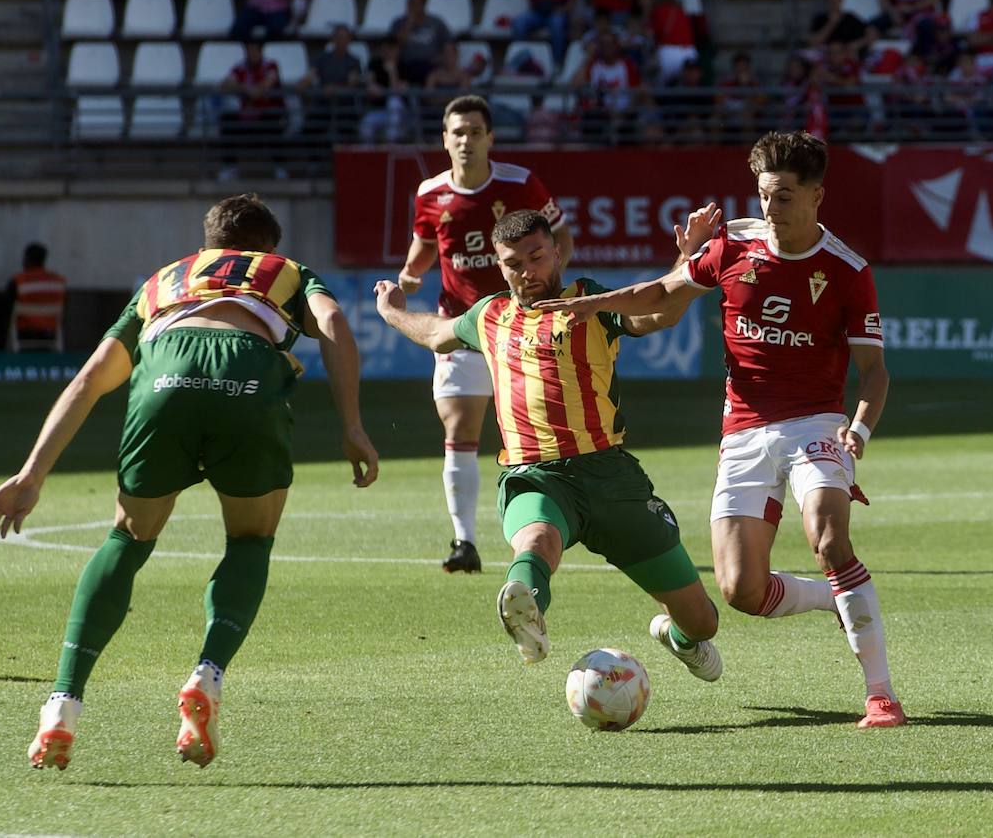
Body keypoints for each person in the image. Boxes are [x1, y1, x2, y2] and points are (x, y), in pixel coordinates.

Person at [0, 194, 379, 771]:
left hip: (164, 369)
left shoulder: (163, 280)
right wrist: (353, 426)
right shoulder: (285, 271)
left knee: (128, 538)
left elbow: (93, 376)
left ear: (207, 245)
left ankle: (62, 704)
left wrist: (31, 473)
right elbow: (335, 323)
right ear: (267, 246)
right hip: (246, 372)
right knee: (249, 540)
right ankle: (207, 676)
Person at [534, 131, 905, 729]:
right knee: (740, 592)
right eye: (763, 195)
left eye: (783, 196)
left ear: (817, 196)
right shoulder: (733, 243)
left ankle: (881, 694)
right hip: (744, 431)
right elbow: (663, 291)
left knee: (830, 539)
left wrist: (858, 428)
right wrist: (594, 305)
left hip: (816, 424)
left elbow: (875, 370)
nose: (770, 209)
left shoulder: (845, 270)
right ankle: (833, 599)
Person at [374, 208, 722, 680]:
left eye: (536, 257)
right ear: (499, 266)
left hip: (610, 478)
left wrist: (685, 262)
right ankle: (527, 612)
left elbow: (660, 312)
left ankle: (677, 637)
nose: (526, 272)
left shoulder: (591, 300)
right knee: (537, 540)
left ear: (557, 251)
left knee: (703, 621)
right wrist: (392, 310)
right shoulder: (490, 314)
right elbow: (437, 335)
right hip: (535, 475)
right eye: (513, 263)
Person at [397, 95, 570, 573]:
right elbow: (424, 247)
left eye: (475, 131)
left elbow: (562, 238)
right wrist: (409, 278)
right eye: (458, 132)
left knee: (538, 430)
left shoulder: (520, 183)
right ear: (445, 139)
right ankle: (464, 542)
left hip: (519, 323)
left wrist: (544, 289)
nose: (466, 140)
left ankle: (555, 526)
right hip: (460, 324)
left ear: (490, 137)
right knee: (459, 426)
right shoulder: (430, 193)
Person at [217, 41, 287, 181]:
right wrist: (246, 89)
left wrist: (252, 90)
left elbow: (267, 83)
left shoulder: (270, 65)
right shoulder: (240, 67)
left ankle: (280, 167)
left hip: (265, 114)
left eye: (255, 51)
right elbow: (225, 84)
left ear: (261, 53)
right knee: (227, 120)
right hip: (246, 116)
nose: (252, 54)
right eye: (249, 51)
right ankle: (230, 168)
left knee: (274, 122)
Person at [7, 243, 68, 353]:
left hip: (24, 333)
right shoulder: (58, 281)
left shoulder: (19, 281)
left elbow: (7, 306)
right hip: (50, 333)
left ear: (27, 259)